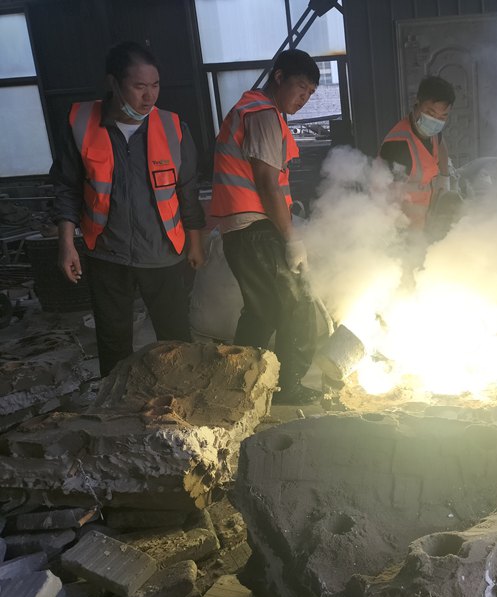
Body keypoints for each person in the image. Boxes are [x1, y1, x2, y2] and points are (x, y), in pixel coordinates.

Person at [53, 41, 205, 377]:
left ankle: (183, 399)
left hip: (164, 253)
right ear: (113, 84)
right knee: (113, 340)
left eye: (155, 86)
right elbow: (67, 188)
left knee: (176, 336)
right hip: (107, 253)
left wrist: (195, 242)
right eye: (139, 87)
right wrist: (66, 244)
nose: (149, 97)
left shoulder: (173, 127)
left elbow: (187, 190)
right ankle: (114, 409)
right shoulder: (81, 124)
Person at [209, 49, 322, 405]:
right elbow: (267, 182)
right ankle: (288, 387)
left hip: (242, 230)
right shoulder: (263, 115)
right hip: (256, 229)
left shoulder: (251, 109)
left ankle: (240, 383)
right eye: (300, 88)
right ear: (278, 78)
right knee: (298, 305)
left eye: (309, 94)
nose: (303, 99)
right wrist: (291, 239)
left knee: (263, 310)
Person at [379, 75, 455, 229]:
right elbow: (390, 198)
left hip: (425, 216)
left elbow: (440, 144)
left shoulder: (434, 131)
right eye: (431, 113)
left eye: (443, 116)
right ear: (417, 103)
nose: (436, 121)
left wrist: (444, 178)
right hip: (401, 225)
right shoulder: (398, 145)